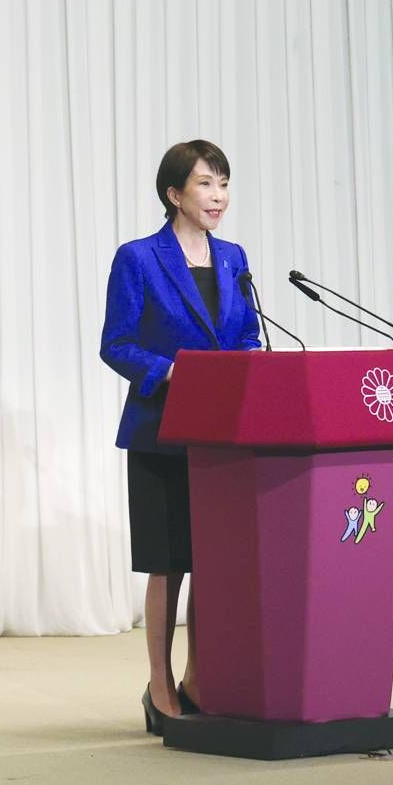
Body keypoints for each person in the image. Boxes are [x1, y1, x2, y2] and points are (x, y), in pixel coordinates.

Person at [100, 141, 261, 734]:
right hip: (161, 432)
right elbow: (117, 343)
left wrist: (249, 363)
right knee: (169, 564)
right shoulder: (139, 258)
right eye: (205, 184)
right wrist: (171, 372)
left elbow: (247, 334)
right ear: (174, 193)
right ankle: (160, 685)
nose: (218, 196)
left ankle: (199, 677)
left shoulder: (234, 257)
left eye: (224, 184)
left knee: (213, 564)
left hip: (223, 437)